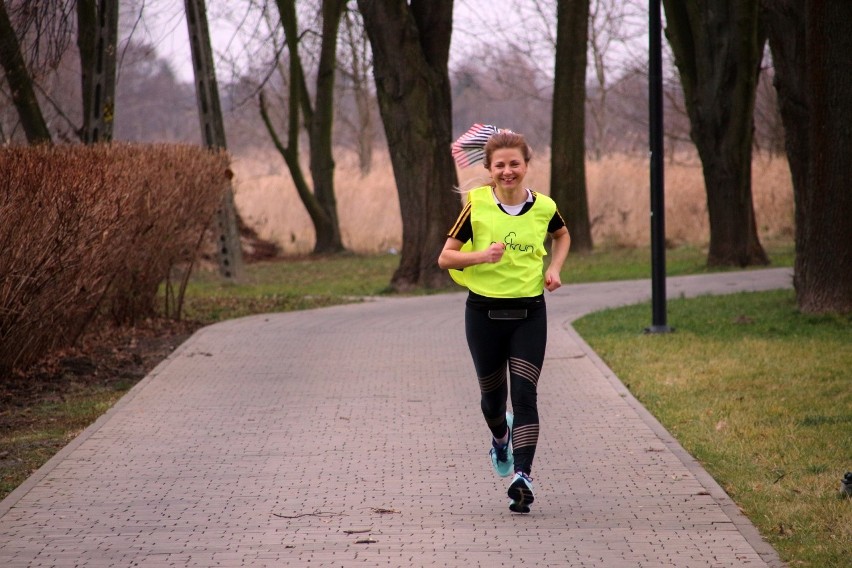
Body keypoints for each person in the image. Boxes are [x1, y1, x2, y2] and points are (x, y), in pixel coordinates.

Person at [438, 125, 570, 513]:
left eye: (515, 163)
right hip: (483, 314)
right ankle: (500, 440)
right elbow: (445, 257)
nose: (508, 171)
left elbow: (562, 235)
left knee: (526, 396)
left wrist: (556, 269)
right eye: (500, 165)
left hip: (529, 313)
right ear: (490, 168)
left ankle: (523, 477)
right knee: (493, 401)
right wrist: (482, 256)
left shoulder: (544, 207)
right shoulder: (476, 205)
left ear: (526, 165)